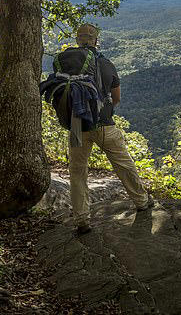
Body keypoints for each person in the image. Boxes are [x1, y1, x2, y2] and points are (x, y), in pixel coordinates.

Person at [68, 23, 154, 235]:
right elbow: (116, 98)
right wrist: (101, 109)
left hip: (77, 126)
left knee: (77, 172)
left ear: (78, 40)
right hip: (104, 124)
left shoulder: (67, 63)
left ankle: (81, 218)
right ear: (96, 40)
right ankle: (142, 201)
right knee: (123, 163)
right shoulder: (106, 64)